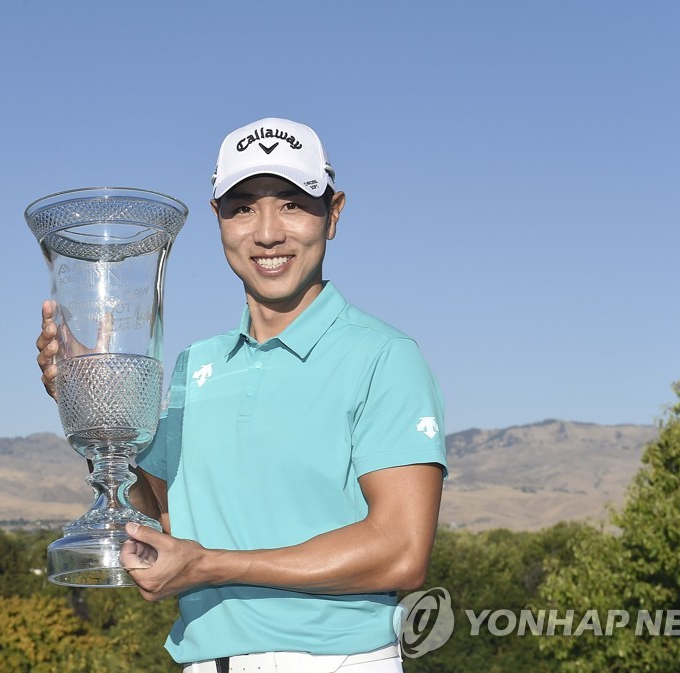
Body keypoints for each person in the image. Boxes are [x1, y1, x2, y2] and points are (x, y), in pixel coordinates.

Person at [36, 118, 447, 673]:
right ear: (218, 219)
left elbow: (401, 551)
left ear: (334, 214)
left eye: (293, 204)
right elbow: (162, 521)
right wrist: (93, 402)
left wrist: (212, 565)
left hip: (335, 661)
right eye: (243, 207)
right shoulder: (195, 364)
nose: (268, 233)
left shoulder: (383, 356)